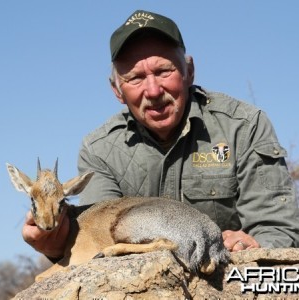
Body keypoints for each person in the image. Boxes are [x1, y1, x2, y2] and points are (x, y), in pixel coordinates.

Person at [22, 10, 299, 261]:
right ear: (117, 90)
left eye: (164, 71)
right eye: (135, 78)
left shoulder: (244, 126)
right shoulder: (99, 150)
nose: (153, 91)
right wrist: (55, 244)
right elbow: (99, 237)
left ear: (189, 71)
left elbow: (278, 229)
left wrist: (253, 245)